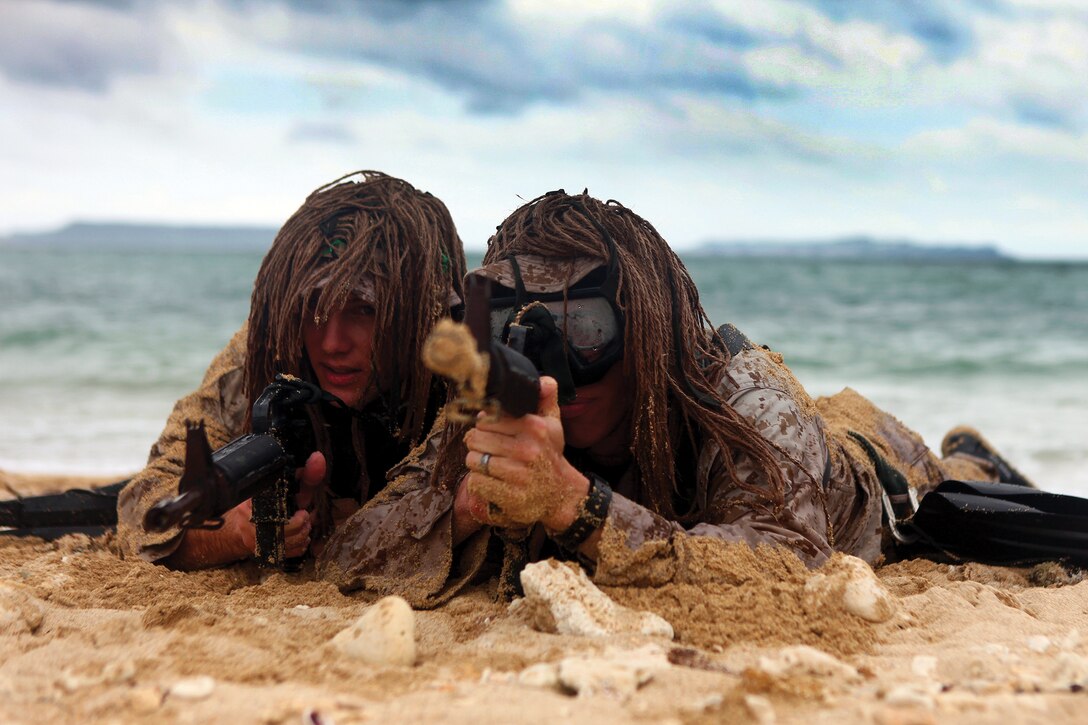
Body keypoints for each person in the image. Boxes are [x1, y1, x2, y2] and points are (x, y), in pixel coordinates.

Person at [316, 190, 1022, 605]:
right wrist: (466, 503)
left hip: (871, 464)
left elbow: (786, 566)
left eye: (583, 327)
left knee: (953, 479)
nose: (550, 362)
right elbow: (343, 557)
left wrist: (575, 505)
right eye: (516, 327)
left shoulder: (743, 399)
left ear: (646, 331)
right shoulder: (496, 408)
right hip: (809, 435)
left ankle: (973, 454)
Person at [115, 171, 466, 568]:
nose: (332, 343)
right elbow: (142, 502)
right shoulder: (268, 353)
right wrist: (234, 532)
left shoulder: (463, 372)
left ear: (426, 318)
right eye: (313, 309)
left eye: (365, 310)